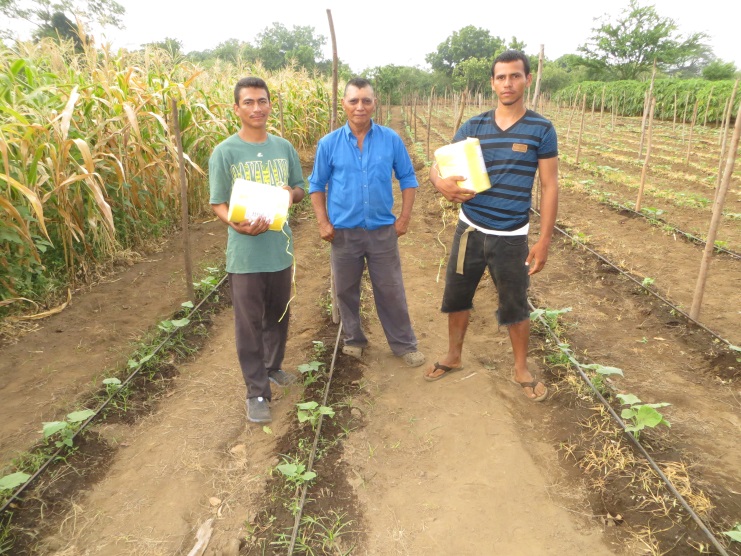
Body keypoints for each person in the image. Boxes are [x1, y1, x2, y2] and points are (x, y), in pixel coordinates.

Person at [424, 50, 559, 402]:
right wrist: (440, 182)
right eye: (501, 77)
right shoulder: (474, 127)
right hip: (469, 229)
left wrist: (543, 240)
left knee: (515, 303)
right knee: (457, 296)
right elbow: (438, 165)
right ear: (493, 83)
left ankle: (520, 369)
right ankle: (453, 356)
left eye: (515, 76)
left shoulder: (541, 129)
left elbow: (550, 186)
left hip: (512, 236)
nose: (508, 83)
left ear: (527, 80)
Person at [308, 77, 425, 368]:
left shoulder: (391, 139)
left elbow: (409, 179)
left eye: (366, 100)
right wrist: (323, 222)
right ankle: (353, 339)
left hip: (382, 231)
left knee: (390, 289)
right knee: (346, 290)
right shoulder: (329, 144)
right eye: (354, 100)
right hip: (344, 233)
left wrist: (404, 218)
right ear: (344, 104)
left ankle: (403, 344)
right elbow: (316, 185)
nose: (360, 107)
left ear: (374, 104)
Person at [209, 76, 306, 423]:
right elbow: (218, 202)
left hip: (279, 250)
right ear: (236, 108)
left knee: (278, 315)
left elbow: (299, 189)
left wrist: (287, 193)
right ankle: (256, 391)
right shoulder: (225, 152)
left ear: (270, 105)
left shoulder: (284, 147)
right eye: (248, 102)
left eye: (262, 101)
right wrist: (232, 223)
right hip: (246, 253)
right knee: (248, 324)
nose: (256, 108)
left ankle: (272, 366)